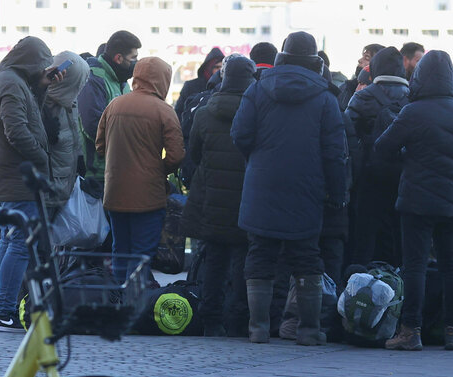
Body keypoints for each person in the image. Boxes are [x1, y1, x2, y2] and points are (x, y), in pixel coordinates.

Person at [231, 31, 347, 346]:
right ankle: (308, 330)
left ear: (283, 56)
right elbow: (335, 152)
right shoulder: (325, 98)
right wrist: (337, 194)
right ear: (315, 61)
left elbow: (240, 134)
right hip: (307, 186)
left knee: (260, 252)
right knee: (306, 255)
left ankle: (258, 328)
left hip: (262, 184)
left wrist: (257, 162)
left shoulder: (257, 89)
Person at [374, 50, 453, 352]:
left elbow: (383, 148)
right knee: (452, 266)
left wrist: (408, 157)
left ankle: (411, 331)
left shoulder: (412, 112)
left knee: (415, 266)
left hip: (416, 201)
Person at [0, 36, 60, 333]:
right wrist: (42, 160)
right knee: (18, 244)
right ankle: (4, 312)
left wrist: (41, 86)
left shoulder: (3, 78)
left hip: (6, 174)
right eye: (41, 64)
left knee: (8, 240)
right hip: (17, 176)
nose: (43, 69)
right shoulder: (11, 83)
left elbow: (29, 117)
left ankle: (2, 309)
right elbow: (17, 131)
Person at [181, 55, 256, 337]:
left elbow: (195, 155)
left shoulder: (204, 112)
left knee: (214, 259)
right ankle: (238, 319)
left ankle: (210, 319)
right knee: (242, 260)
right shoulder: (257, 112)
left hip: (210, 196)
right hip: (246, 197)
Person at [97, 56, 184, 283]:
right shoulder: (164, 111)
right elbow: (176, 156)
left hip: (115, 192)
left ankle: (117, 302)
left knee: (120, 249)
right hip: (148, 196)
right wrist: (158, 170)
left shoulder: (114, 105)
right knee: (141, 255)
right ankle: (134, 307)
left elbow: (99, 146)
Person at [345, 46, 410, 266]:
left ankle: (359, 289)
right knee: (400, 239)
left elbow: (346, 136)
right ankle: (398, 289)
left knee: (364, 238)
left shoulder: (363, 97)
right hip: (405, 179)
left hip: (368, 177)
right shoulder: (415, 99)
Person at [78, 30, 141, 185]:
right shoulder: (94, 79)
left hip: (120, 168)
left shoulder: (123, 81)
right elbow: (93, 125)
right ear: (118, 58)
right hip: (97, 173)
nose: (136, 62)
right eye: (133, 58)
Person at [42, 51, 90, 209]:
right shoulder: (38, 100)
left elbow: (74, 132)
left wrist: (79, 157)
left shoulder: (69, 101)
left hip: (65, 185)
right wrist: (42, 131)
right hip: (45, 190)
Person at [174, 47, 224, 117]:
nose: (220, 70)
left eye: (223, 68)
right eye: (217, 67)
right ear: (209, 68)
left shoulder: (226, 87)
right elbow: (179, 112)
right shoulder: (191, 86)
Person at [338, 43, 384, 110]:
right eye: (363, 56)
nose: (359, 60)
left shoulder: (385, 95)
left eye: (367, 57)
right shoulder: (345, 88)